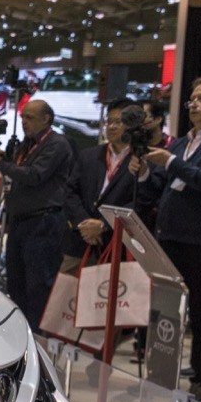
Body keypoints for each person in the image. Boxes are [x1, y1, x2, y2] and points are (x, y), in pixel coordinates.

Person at [132, 74, 201, 402]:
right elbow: (162, 187)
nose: (194, 105)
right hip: (168, 237)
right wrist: (144, 173)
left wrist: (169, 161)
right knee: (165, 308)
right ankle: (162, 372)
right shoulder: (182, 143)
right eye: (192, 99)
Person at [0, 99, 75, 332]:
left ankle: (38, 336)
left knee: (38, 286)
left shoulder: (57, 144)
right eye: (23, 117)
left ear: (46, 119)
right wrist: (7, 159)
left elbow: (34, 175)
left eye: (30, 117)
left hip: (43, 222)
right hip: (20, 221)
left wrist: (1, 164)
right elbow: (21, 170)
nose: (24, 122)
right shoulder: (27, 144)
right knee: (16, 282)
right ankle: (21, 332)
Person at [60, 99, 140, 275]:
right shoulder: (88, 155)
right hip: (80, 241)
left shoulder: (141, 159)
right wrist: (83, 223)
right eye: (108, 121)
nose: (111, 127)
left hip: (116, 246)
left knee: (107, 292)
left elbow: (139, 202)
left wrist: (103, 225)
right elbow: (70, 191)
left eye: (118, 122)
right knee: (69, 290)